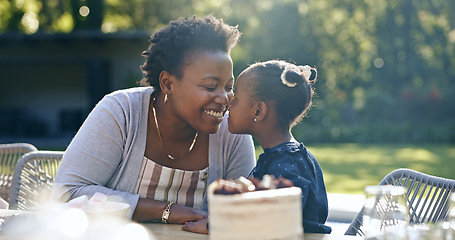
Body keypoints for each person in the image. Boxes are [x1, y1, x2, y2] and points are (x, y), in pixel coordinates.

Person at [51, 15, 256, 224]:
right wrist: (167, 211)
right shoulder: (121, 113)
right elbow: (67, 193)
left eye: (228, 88)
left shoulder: (232, 134)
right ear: (168, 83)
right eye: (210, 86)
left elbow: (247, 212)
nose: (224, 98)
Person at [183, 60, 332, 234]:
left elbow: (272, 218)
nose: (229, 103)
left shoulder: (288, 165)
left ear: (258, 111)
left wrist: (215, 226)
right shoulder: (284, 156)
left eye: (236, 98)